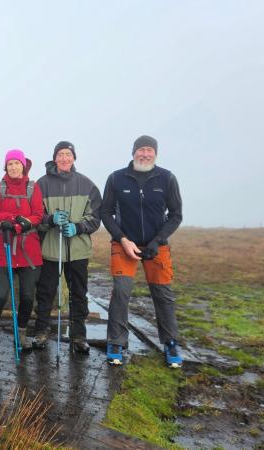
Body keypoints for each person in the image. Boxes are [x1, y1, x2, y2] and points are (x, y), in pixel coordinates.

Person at [100, 135, 184, 368]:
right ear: (133, 152)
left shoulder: (166, 178)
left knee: (163, 294)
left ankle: (170, 343)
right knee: (121, 291)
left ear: (155, 154)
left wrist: (158, 241)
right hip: (124, 244)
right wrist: (123, 239)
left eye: (149, 150)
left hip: (157, 246)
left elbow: (176, 214)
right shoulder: (116, 178)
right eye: (141, 150)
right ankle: (116, 342)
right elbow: (106, 213)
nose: (145, 154)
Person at [32, 141, 102, 353]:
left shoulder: (87, 185)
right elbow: (35, 215)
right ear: (55, 158)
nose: (64, 158)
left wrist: (78, 227)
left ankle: (78, 335)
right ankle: (42, 331)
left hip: (78, 250)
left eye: (68, 154)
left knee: (78, 293)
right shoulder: (41, 184)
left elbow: (96, 217)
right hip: (50, 249)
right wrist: (50, 219)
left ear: (74, 158)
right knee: (45, 292)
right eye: (60, 154)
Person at [0, 149, 44, 358]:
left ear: (23, 165)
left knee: (27, 296)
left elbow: (37, 215)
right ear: (5, 167)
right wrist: (9, 219)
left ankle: (22, 333)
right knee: (0, 295)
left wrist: (16, 224)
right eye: (10, 164)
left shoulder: (33, 188)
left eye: (17, 163)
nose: (14, 167)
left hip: (28, 250)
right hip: (3, 247)